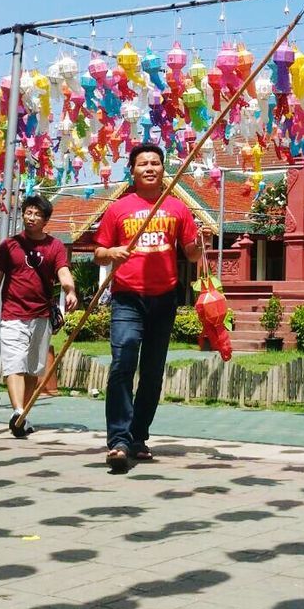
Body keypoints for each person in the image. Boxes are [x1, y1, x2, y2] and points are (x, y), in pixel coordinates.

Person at [93, 143, 204, 473]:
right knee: (123, 360)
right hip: (128, 297)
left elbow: (192, 254)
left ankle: (138, 435)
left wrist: (198, 246)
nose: (150, 168)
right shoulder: (118, 209)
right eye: (143, 164)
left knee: (153, 371)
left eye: (156, 163)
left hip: (164, 297)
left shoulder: (177, 209)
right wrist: (113, 253)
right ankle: (118, 441)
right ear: (133, 170)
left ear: (163, 169)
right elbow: (98, 253)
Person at [0, 194, 78, 439]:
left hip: (41, 316)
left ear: (46, 220)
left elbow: (63, 271)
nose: (31, 217)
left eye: (37, 214)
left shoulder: (55, 246)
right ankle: (17, 411)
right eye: (28, 212)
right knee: (15, 363)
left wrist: (70, 290)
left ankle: (22, 415)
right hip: (13, 315)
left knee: (33, 369)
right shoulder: (9, 246)